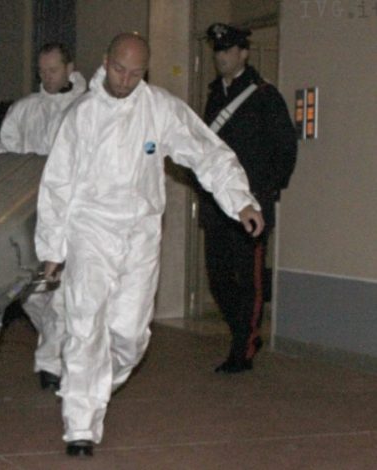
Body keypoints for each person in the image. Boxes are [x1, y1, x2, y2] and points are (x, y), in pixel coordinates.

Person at [35, 33, 265, 458]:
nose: (125, 80)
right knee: (85, 326)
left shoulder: (159, 108)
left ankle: (90, 388)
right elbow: (57, 184)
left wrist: (241, 201)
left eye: (135, 73)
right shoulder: (82, 115)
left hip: (140, 235)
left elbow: (206, 152)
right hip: (90, 231)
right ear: (106, 61)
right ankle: (80, 426)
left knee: (129, 336)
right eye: (119, 70)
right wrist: (52, 248)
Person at [200, 23, 297, 374]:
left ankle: (243, 347)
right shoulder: (215, 95)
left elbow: (286, 148)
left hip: (250, 208)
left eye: (228, 50)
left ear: (243, 53)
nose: (221, 57)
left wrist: (265, 192)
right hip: (217, 207)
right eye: (218, 51)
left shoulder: (264, 95)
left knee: (249, 280)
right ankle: (243, 333)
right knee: (218, 279)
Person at [0, 42, 87, 392]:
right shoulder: (23, 110)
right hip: (29, 214)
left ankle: (51, 365)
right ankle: (57, 348)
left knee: (62, 293)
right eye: (42, 71)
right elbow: (4, 158)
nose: (47, 77)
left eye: (53, 70)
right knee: (30, 292)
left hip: (72, 214)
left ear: (69, 68)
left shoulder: (87, 108)